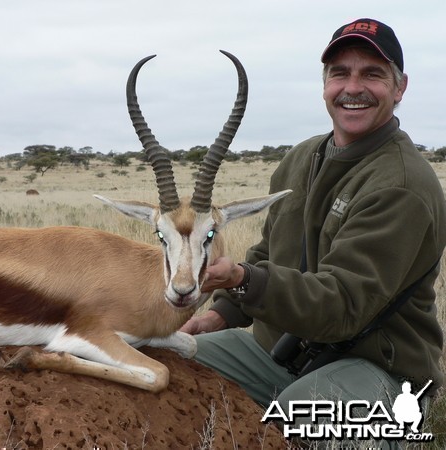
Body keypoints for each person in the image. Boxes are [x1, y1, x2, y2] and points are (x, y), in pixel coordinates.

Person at [181, 18, 445, 448]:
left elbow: (341, 307)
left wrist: (242, 278)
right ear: (324, 84)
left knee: (305, 414)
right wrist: (220, 313)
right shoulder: (301, 158)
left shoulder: (402, 185)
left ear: (400, 88)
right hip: (283, 353)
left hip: (376, 367)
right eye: (340, 73)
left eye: (372, 74)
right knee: (172, 357)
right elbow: (268, 253)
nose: (352, 87)